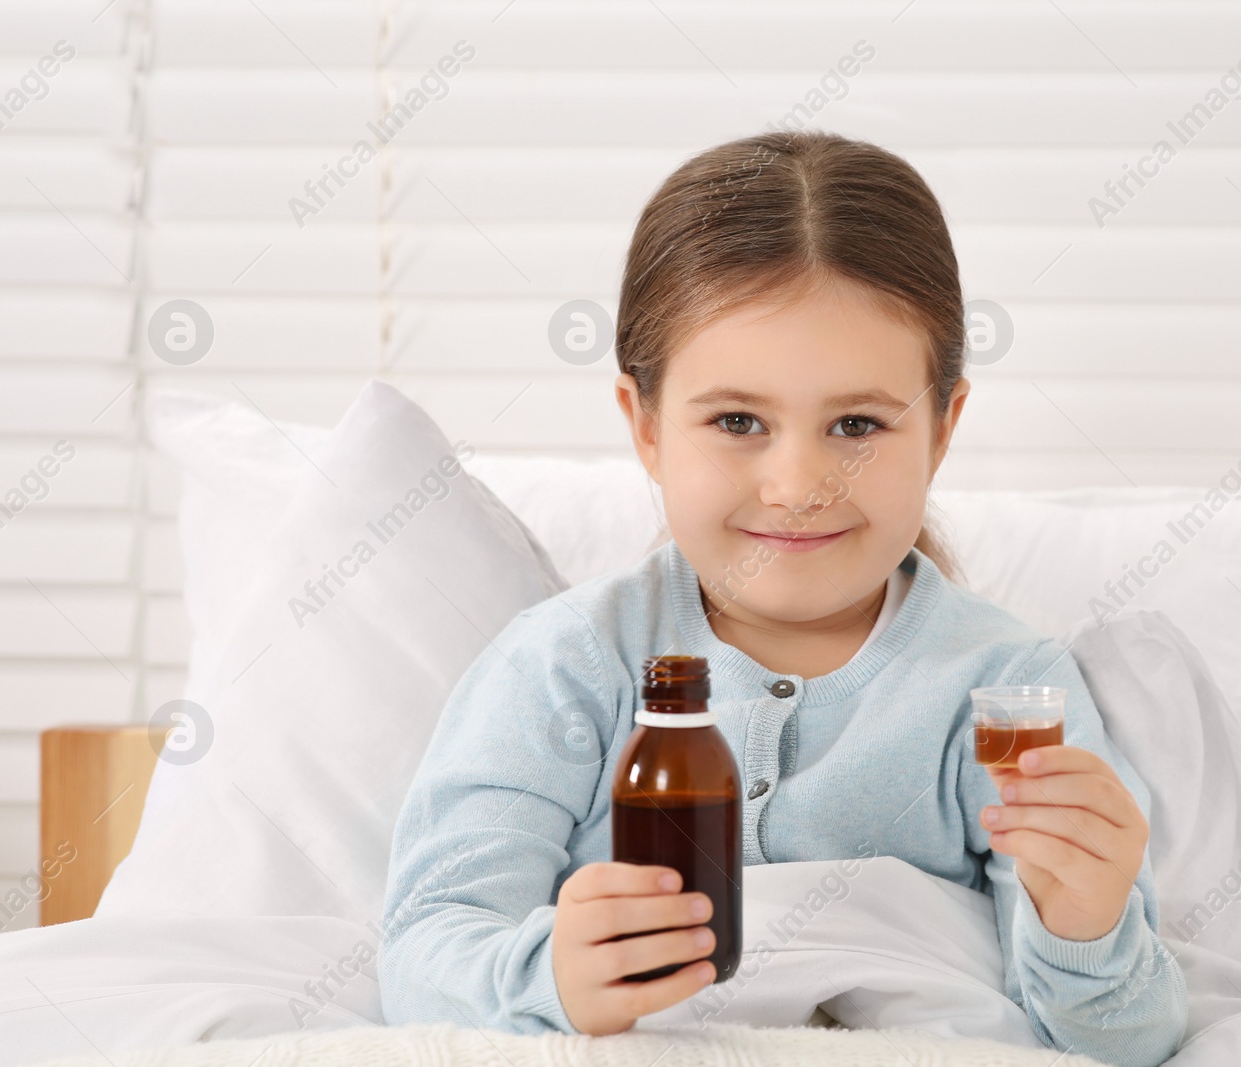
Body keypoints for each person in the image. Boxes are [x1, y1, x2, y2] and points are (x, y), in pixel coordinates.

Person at [379, 129, 1187, 1067]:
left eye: (856, 423)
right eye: (736, 421)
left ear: (942, 426)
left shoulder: (1008, 692)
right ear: (643, 425)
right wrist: (544, 979)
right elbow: (426, 951)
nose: (798, 482)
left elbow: (1130, 1039)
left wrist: (1087, 927)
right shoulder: (565, 664)